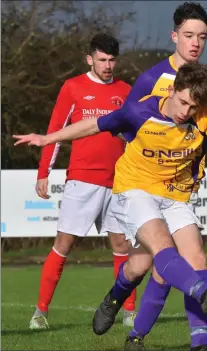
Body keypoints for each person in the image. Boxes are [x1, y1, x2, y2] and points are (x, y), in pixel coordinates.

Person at [13, 62, 207, 350]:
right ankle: (202, 293)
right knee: (163, 250)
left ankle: (195, 341)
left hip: (175, 196)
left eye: (193, 107)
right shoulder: (138, 111)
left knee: (183, 260)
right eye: (182, 102)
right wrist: (47, 138)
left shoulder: (203, 115)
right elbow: (91, 126)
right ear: (171, 90)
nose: (185, 111)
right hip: (135, 191)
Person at [124, 3, 207, 350]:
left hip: (180, 190)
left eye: (202, 37)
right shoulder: (151, 79)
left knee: (180, 264)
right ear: (174, 35)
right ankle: (124, 309)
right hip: (142, 187)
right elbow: (127, 125)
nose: (195, 43)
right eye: (189, 35)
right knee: (150, 265)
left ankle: (189, 342)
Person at [28, 33, 137, 330]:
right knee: (64, 244)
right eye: (102, 59)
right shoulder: (73, 87)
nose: (107, 65)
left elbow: (135, 136)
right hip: (82, 180)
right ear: (90, 59)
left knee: (123, 245)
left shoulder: (126, 91)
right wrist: (43, 173)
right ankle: (40, 311)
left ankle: (129, 311)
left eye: (112, 60)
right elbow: (55, 130)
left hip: (119, 181)